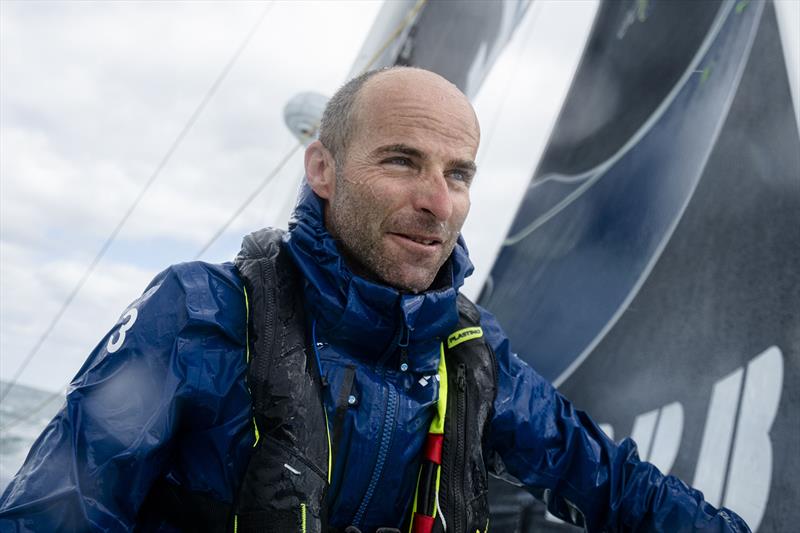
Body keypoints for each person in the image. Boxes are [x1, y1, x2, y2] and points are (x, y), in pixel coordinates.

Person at [0, 67, 750, 533]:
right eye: (402, 162)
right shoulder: (198, 314)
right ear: (322, 168)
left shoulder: (473, 355)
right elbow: (54, 510)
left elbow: (616, 487)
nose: (436, 202)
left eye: (458, 175)